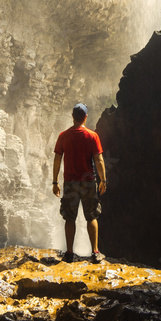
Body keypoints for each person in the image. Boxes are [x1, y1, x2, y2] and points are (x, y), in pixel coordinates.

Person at [52, 103, 107, 263]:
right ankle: (95, 252)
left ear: (72, 116)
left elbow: (57, 159)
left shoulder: (63, 136)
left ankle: (69, 253)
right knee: (91, 216)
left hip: (70, 182)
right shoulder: (92, 136)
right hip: (88, 182)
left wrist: (55, 182)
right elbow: (99, 159)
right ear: (85, 117)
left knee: (70, 218)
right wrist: (103, 180)